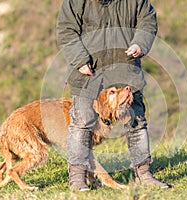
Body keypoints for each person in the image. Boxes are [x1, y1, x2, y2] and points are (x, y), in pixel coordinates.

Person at [56, 0, 171, 191]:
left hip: (125, 72)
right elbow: (66, 30)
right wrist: (80, 60)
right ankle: (77, 179)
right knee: (81, 124)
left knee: (136, 123)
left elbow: (147, 21)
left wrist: (140, 44)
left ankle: (144, 174)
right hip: (87, 74)